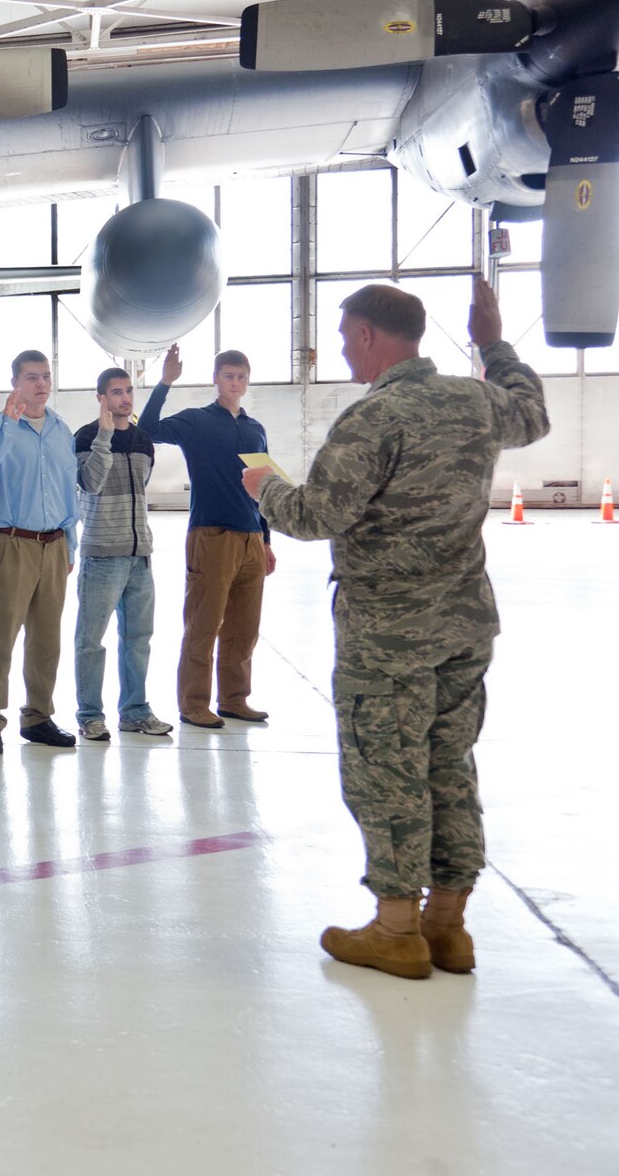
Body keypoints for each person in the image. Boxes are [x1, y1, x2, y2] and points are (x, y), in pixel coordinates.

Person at [244, 278, 546, 979]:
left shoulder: (375, 418)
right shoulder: (477, 400)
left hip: (388, 633)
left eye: (347, 336)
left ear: (370, 336)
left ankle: (396, 927)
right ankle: (449, 925)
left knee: (388, 769)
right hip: (464, 622)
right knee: (449, 764)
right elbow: (533, 412)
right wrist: (494, 341)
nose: (345, 349)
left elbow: (316, 514)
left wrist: (263, 486)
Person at [137, 345, 275, 728]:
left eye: (241, 377)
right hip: (211, 535)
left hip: (250, 537)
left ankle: (234, 699)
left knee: (244, 629)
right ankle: (193, 703)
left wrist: (265, 539)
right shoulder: (196, 421)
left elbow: (263, 485)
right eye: (229, 376)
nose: (235, 382)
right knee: (204, 624)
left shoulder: (254, 429)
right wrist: (165, 382)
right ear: (216, 379)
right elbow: (147, 429)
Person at [0, 350, 79, 754]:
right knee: (0, 636)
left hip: (55, 546)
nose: (41, 384)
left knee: (47, 639)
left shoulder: (62, 431)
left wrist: (71, 544)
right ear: (15, 383)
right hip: (10, 543)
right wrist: (9, 427)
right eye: (31, 377)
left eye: (46, 376)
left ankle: (38, 717)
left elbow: (70, 491)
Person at [73, 367, 172, 740]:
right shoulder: (85, 436)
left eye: (128, 390)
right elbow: (91, 483)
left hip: (139, 556)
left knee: (137, 640)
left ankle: (135, 711)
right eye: (116, 392)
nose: (125, 398)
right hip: (101, 555)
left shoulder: (144, 440)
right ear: (101, 398)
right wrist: (104, 435)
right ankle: (89, 715)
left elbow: (141, 491)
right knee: (91, 641)